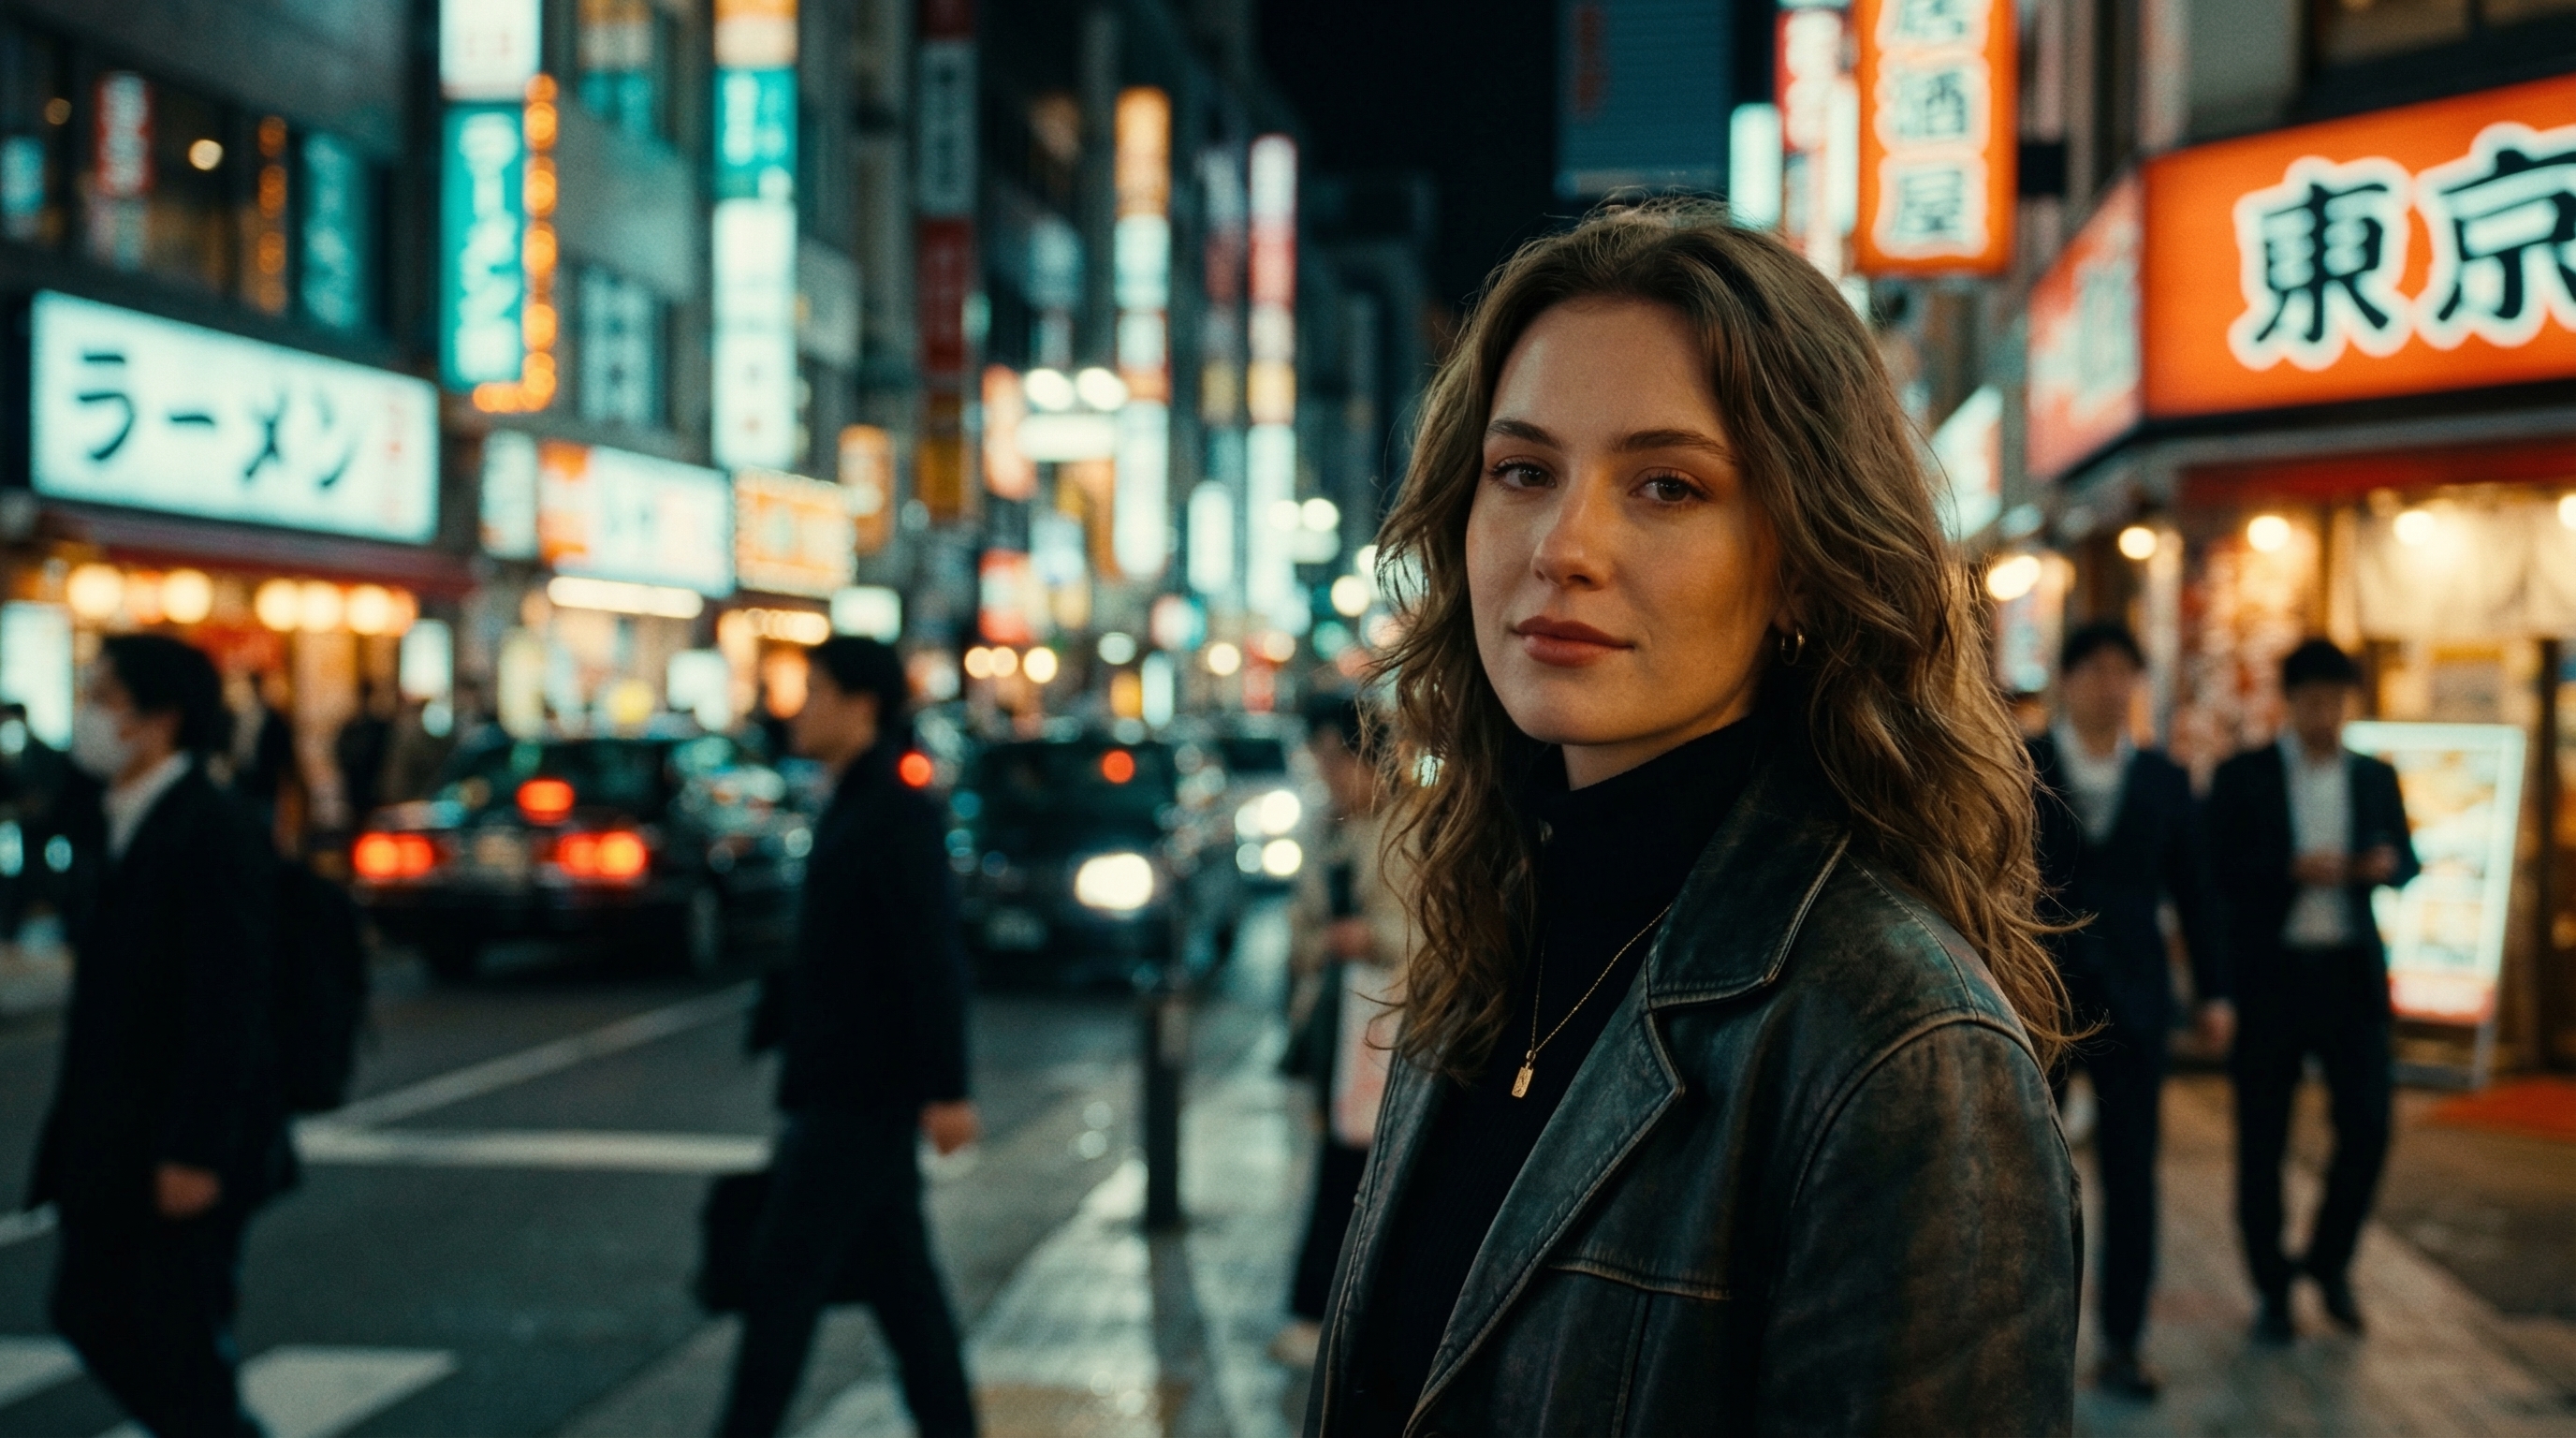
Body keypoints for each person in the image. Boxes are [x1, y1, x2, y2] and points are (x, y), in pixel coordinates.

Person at [1303, 203, 2077, 1435]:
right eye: (1522, 473)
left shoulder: (1895, 1037)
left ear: (1804, 562)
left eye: (1667, 486)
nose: (1566, 545)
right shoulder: (1491, 922)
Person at [716, 637, 979, 1438]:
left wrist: (947, 1088)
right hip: (845, 1085)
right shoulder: (854, 798)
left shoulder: (893, 809)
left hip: (857, 1094)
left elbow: (929, 954)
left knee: (781, 1289)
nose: (798, 710)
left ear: (860, 704)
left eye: (814, 692)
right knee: (903, 1291)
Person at [26, 634, 288, 1437]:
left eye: (103, 697)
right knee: (95, 1313)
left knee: (169, 1345)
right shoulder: (118, 818)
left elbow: (230, 1003)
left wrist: (197, 1150)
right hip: (114, 1140)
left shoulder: (211, 827)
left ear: (159, 718)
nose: (88, 716)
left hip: (176, 1148)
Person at [2028, 621, 2231, 1400]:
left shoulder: (2163, 778)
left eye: (2125, 672)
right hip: (2040, 995)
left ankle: (2121, 1342)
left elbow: (2198, 892)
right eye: (2097, 669)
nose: (2111, 685)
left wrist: (2215, 992)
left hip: (2138, 1000)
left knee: (2132, 1176)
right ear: (2068, 678)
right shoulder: (2024, 764)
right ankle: (2029, 1336)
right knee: (2029, 1173)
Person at [2206, 638, 2418, 1343]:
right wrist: (2292, 869)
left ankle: (2329, 1261)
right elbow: (2217, 871)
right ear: (2290, 703)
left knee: (2368, 1125)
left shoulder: (2372, 777)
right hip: (2273, 978)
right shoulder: (2247, 776)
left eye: (2336, 701)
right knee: (2261, 1139)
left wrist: (2381, 865)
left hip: (2348, 975)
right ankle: (2271, 1286)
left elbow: (2407, 861)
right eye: (2313, 701)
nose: (2325, 714)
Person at [1274, 694, 1413, 1370]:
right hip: (1336, 1027)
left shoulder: (1412, 827)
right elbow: (1299, 930)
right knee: (1341, 1166)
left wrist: (1373, 938)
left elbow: (1436, 939)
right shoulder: (1325, 829)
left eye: (1337, 758)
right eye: (1319, 759)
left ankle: (1321, 1315)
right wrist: (1317, 945)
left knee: (1358, 1172)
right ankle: (1324, 1314)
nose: (1328, 773)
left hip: (1396, 1035)